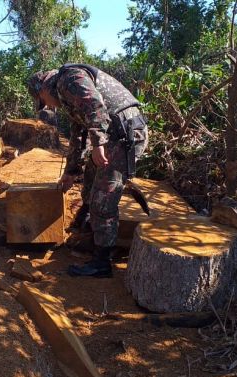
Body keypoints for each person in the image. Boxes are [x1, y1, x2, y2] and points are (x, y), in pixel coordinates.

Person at [27, 63, 148, 278]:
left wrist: (98, 143)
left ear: (43, 89)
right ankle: (88, 227)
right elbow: (78, 134)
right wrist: (71, 171)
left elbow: (96, 106)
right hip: (115, 134)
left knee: (104, 197)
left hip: (124, 135)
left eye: (43, 102)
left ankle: (101, 262)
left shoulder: (69, 79)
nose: (48, 106)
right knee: (90, 180)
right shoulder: (67, 94)